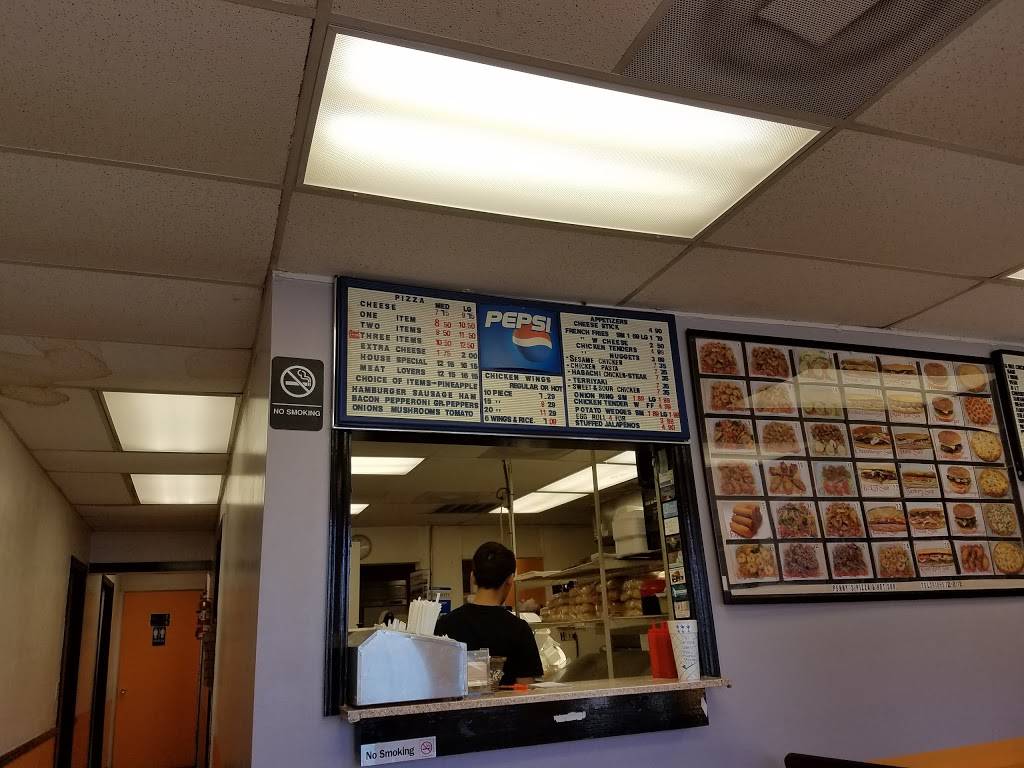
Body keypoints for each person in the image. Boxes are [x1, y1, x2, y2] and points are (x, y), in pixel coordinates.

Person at [435, 541, 543, 686]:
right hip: (507, 702)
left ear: (472, 577)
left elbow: (436, 681)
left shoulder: (445, 625)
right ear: (510, 579)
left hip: (455, 702)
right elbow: (526, 688)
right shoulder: (520, 630)